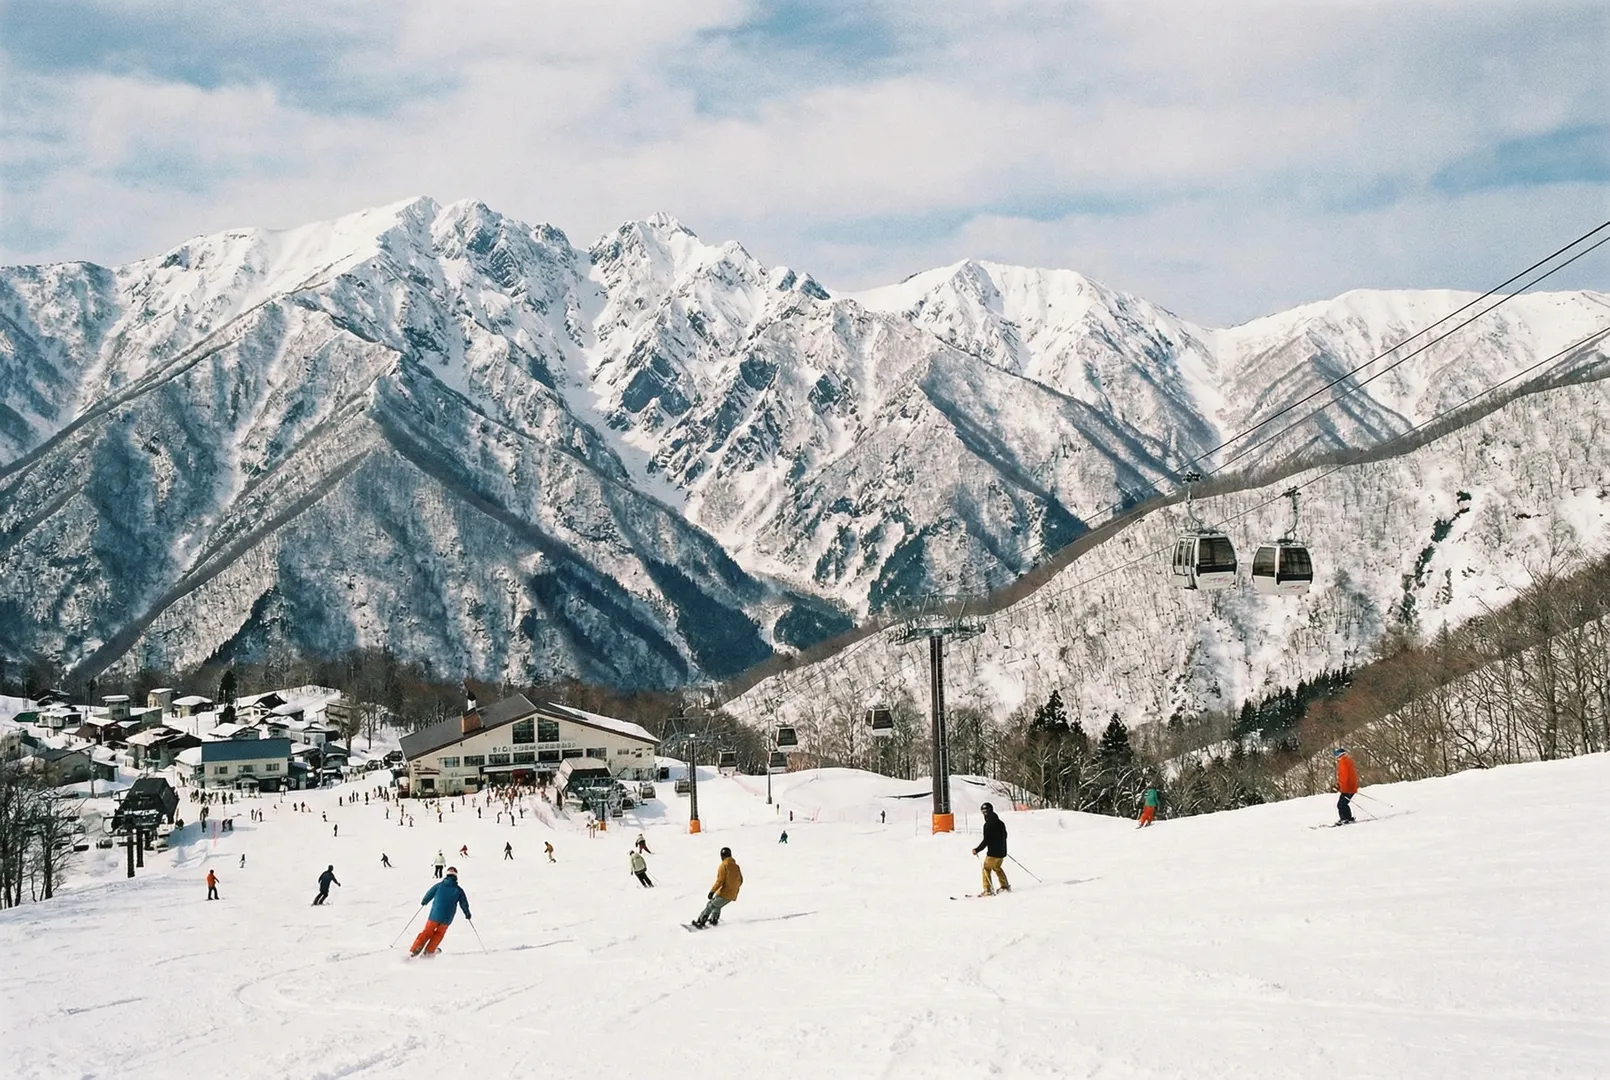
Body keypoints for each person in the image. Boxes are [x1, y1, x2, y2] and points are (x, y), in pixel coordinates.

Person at [410, 867, 471, 957]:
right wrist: (467, 913)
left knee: (427, 931)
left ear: (447, 875)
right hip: (447, 918)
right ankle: (429, 951)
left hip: (434, 915)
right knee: (439, 934)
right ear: (456, 877)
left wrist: (424, 901)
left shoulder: (439, 885)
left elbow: (429, 893)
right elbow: (464, 903)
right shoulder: (459, 890)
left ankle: (415, 949)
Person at [690, 847, 742, 928]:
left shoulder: (723, 866)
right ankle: (714, 919)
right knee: (717, 905)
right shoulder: (736, 866)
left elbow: (720, 881)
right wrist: (733, 888)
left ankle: (701, 921)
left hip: (725, 893)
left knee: (711, 905)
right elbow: (741, 880)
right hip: (733, 894)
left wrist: (712, 891)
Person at [973, 802, 1009, 895]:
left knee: (986, 868)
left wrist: (977, 850)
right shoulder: (1001, 823)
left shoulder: (987, 825)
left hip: (993, 853)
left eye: (984, 812)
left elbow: (986, 841)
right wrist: (1000, 846)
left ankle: (987, 890)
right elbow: (1005, 836)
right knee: (997, 867)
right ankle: (1005, 886)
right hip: (1002, 852)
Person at [1334, 748, 1360, 824]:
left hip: (1347, 788)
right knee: (1344, 803)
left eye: (1336, 754)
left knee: (1341, 805)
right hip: (1350, 787)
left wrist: (1341, 787)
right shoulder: (1347, 761)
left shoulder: (1343, 763)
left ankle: (1344, 819)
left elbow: (1345, 777)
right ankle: (1348, 818)